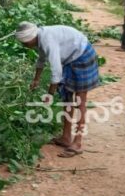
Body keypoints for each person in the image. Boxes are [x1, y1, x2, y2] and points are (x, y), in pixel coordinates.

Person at [16, 21, 99, 157]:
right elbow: (41, 60)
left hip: (82, 54)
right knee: (67, 98)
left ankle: (78, 142)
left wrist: (50, 95)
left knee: (80, 101)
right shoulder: (40, 37)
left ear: (30, 38)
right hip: (69, 59)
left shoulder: (47, 40)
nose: (24, 46)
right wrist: (36, 79)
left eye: (24, 43)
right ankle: (66, 137)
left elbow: (56, 73)